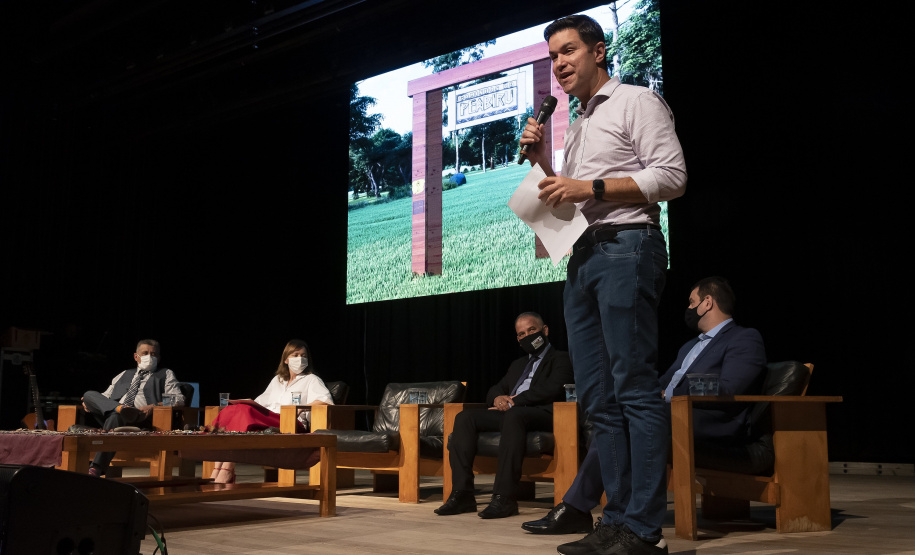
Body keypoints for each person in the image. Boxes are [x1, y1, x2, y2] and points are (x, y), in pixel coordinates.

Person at [519, 13, 687, 555]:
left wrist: (586, 185)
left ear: (598, 52)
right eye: (552, 56)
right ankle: (614, 521)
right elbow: (568, 195)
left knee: (633, 387)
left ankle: (644, 529)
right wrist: (544, 163)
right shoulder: (578, 122)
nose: (559, 63)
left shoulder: (637, 101)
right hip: (584, 257)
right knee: (596, 399)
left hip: (627, 247)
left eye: (568, 51)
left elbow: (672, 177)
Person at [521, 277, 767, 540]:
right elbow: (661, 383)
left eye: (691, 302)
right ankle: (595, 509)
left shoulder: (744, 338)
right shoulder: (690, 346)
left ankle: (578, 508)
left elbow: (729, 387)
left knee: (629, 420)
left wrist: (668, 394)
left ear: (707, 303)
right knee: (616, 415)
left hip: (711, 422)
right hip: (671, 416)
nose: (689, 308)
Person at [435, 312, 573, 519]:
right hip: (512, 413)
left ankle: (504, 498)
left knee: (514, 415)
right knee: (465, 418)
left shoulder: (561, 358)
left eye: (532, 330)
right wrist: (498, 398)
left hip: (543, 414)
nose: (527, 336)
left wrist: (515, 401)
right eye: (521, 334)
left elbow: (552, 389)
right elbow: (496, 389)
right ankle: (463, 494)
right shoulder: (518, 365)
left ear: (545, 330)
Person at [208, 339, 333, 483]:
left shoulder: (311, 379)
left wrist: (300, 408)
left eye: (304, 356)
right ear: (286, 359)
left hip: (291, 422)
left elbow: (325, 400)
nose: (300, 359)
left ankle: (227, 469)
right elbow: (261, 402)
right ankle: (217, 468)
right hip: (271, 419)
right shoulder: (278, 380)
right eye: (296, 355)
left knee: (243, 412)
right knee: (231, 410)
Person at [82, 339, 185, 477]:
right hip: (113, 415)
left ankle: (96, 468)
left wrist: (154, 406)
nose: (150, 357)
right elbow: (105, 396)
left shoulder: (166, 373)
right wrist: (90, 402)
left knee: (115, 417)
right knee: (88, 395)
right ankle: (121, 409)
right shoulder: (123, 374)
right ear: (136, 356)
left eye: (154, 354)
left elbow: (179, 399)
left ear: (159, 358)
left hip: (141, 419)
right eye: (145, 353)